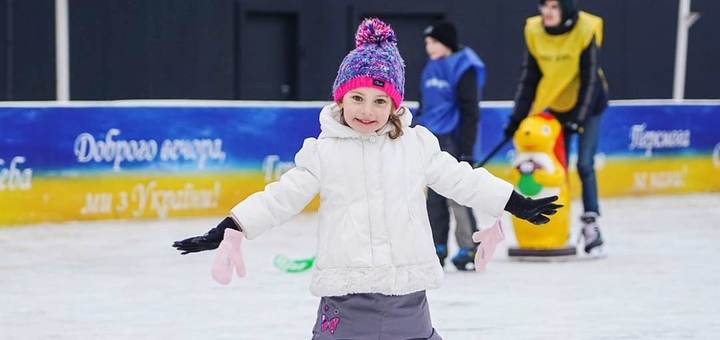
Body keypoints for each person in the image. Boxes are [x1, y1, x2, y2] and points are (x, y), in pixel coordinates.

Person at [173, 18, 561, 339]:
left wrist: (514, 201)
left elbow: (462, 179)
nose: (367, 110)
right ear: (340, 99)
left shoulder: (416, 145)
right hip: (347, 296)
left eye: (380, 101)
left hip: (407, 296)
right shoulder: (324, 151)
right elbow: (282, 197)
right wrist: (233, 224)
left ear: (395, 106)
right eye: (357, 98)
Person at [504, 0, 608, 256]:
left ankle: (590, 224)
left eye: (554, 7)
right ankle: (558, 224)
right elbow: (529, 78)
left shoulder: (585, 29)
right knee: (557, 170)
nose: (546, 12)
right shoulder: (534, 31)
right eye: (544, 6)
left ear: (567, 9)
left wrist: (579, 118)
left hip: (589, 105)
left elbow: (590, 79)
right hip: (556, 106)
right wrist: (517, 119)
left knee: (584, 164)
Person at [414, 20, 487, 270]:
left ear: (446, 42)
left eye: (433, 42)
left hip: (453, 138)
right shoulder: (431, 66)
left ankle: (470, 246)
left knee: (457, 194)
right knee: (434, 195)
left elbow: (470, 112)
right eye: (427, 43)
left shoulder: (464, 66)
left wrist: (466, 149)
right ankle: (437, 246)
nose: (429, 48)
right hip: (431, 137)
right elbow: (425, 104)